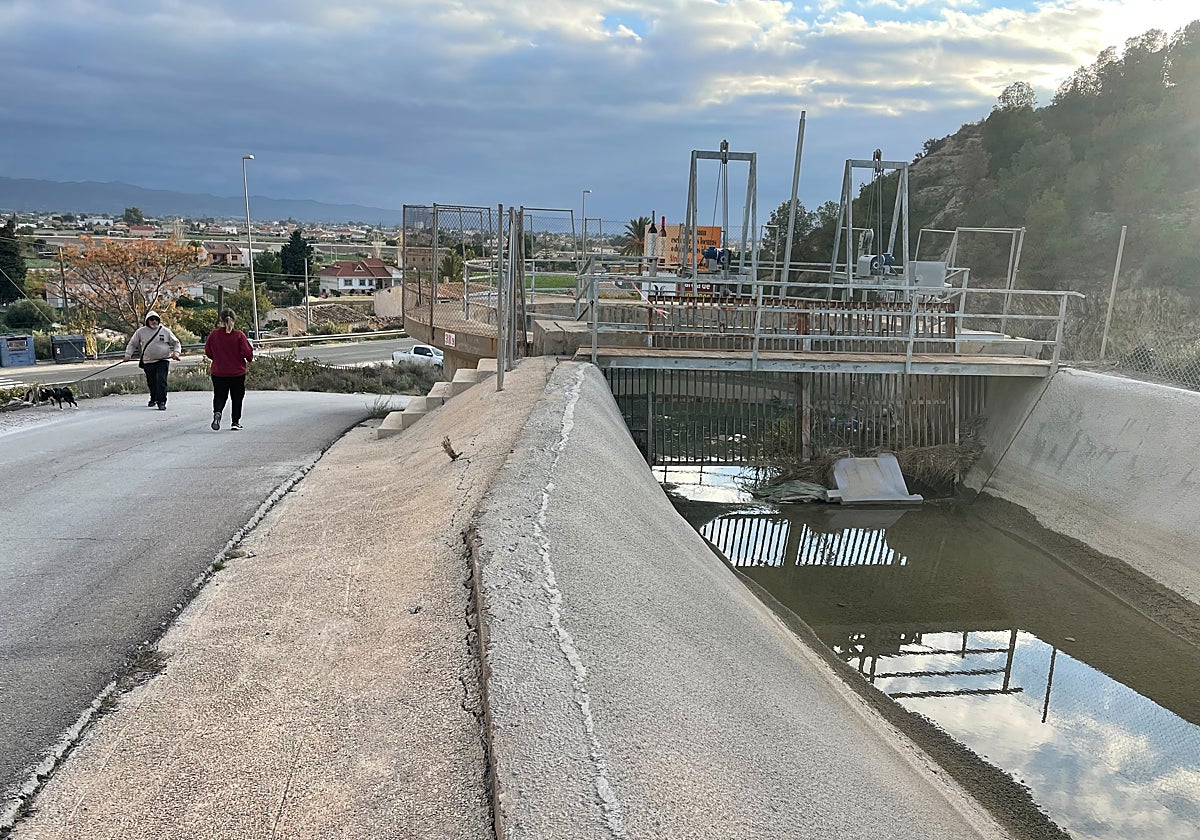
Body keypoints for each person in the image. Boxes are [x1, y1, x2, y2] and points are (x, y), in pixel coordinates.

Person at [204, 308, 254, 431]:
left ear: (221, 320)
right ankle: (235, 422)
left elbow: (208, 351)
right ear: (234, 319)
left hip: (218, 371)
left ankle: (217, 412)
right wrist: (249, 358)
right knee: (237, 397)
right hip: (237, 372)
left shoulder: (214, 335)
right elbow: (247, 353)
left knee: (219, 395)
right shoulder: (239, 335)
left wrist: (216, 358)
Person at [124, 310, 181, 411]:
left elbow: (176, 343)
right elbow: (132, 344)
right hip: (148, 361)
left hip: (163, 360)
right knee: (151, 382)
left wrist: (176, 353)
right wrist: (128, 355)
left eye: (156, 319)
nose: (154, 321)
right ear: (147, 321)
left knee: (161, 381)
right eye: (151, 319)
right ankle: (153, 398)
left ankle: (162, 402)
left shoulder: (165, 331)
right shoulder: (140, 332)